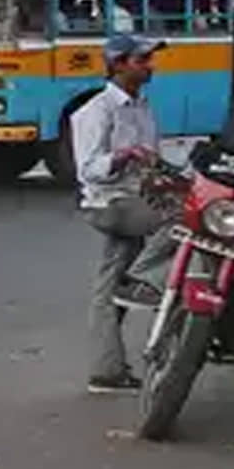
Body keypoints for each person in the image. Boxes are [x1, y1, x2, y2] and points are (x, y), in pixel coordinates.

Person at [71, 34, 177, 394]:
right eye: (141, 60)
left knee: (108, 288)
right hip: (109, 202)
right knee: (180, 220)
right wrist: (123, 156)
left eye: (149, 59)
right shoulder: (96, 111)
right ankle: (145, 278)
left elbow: (153, 157)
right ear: (118, 65)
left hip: (136, 198)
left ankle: (106, 370)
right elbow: (87, 168)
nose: (150, 66)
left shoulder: (143, 107)